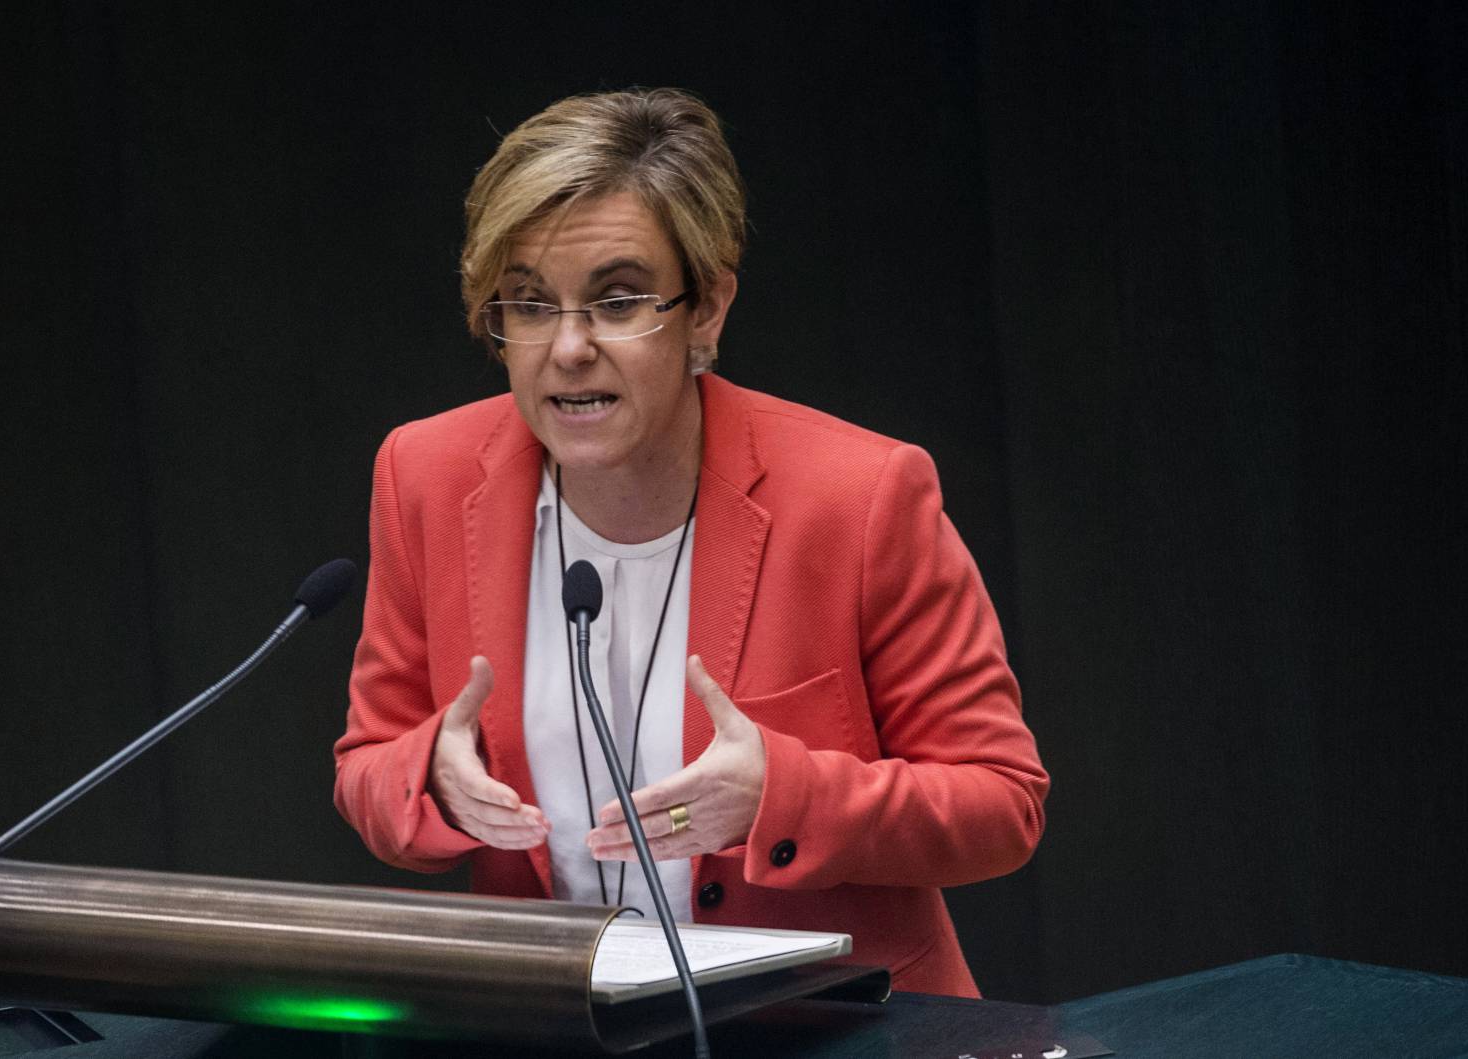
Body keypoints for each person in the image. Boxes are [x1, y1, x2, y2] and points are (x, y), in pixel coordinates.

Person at [333, 87, 1047, 998]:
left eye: (617, 300)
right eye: (530, 304)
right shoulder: (425, 476)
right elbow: (367, 764)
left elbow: (1001, 801)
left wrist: (782, 793)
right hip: (557, 1020)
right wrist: (430, 774)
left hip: (831, 1027)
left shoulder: (861, 496)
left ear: (706, 307)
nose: (569, 348)